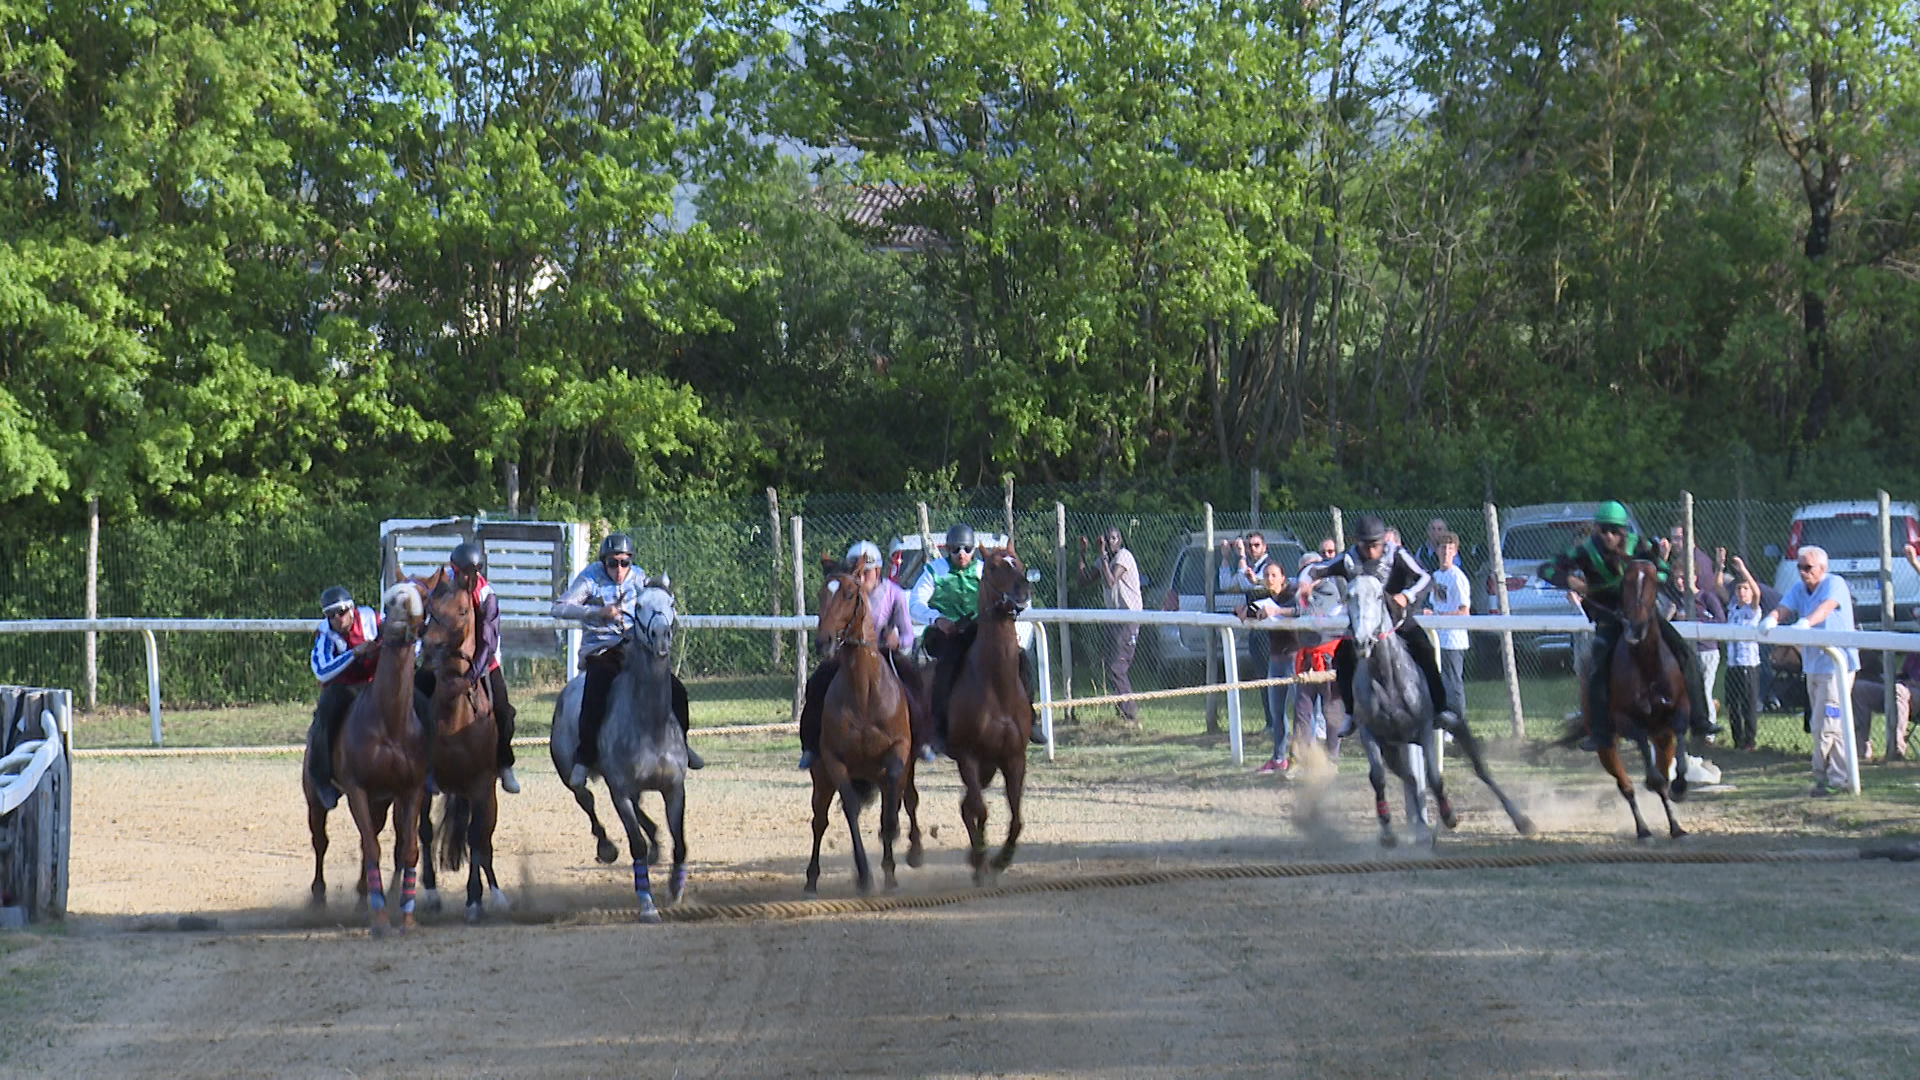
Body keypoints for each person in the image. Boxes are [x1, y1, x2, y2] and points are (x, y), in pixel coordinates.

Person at [1542, 501, 1713, 752]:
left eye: (1615, 531)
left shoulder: (1638, 545)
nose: (1609, 536)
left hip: (1644, 616)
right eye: (1604, 530)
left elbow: (1663, 573)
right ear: (1596, 530)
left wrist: (1653, 571)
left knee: (1686, 653)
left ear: (1623, 531)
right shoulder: (1584, 551)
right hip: (1609, 618)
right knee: (1597, 668)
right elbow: (1545, 569)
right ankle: (1599, 732)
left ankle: (1700, 721)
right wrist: (1571, 581)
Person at [552, 533, 703, 788]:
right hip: (601, 651)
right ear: (603, 562)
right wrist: (597, 612)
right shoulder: (590, 578)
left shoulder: (639, 578)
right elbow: (558, 608)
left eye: (624, 563)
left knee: (677, 690)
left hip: (633, 651)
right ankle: (585, 756)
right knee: (595, 691)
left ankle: (682, 747)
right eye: (613, 563)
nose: (619, 569)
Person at [1300, 514, 1452, 732]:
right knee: (1342, 657)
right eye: (1366, 545)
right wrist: (1305, 582)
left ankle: (1441, 708)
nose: (1371, 551)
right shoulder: (1349, 558)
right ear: (1357, 542)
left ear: (1383, 541)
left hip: (1398, 621)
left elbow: (1425, 578)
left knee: (1425, 650)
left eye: (1376, 545)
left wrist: (1406, 596)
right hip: (1363, 627)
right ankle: (1351, 714)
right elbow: (1314, 569)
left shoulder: (1397, 554)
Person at [797, 541, 931, 770]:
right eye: (856, 572)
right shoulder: (844, 593)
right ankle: (811, 745)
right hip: (848, 657)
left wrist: (897, 641)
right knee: (817, 684)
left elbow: (909, 635)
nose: (860, 577)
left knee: (913, 685)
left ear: (877, 571)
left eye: (865, 572)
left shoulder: (894, 594)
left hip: (885, 654)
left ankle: (920, 741)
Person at [415, 543, 519, 793]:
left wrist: (472, 677)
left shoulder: (486, 596)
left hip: (482, 661)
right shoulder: (442, 586)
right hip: (442, 658)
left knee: (504, 711)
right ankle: (418, 762)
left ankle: (504, 763)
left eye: (471, 572)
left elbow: (488, 641)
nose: (465, 577)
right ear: (454, 569)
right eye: (461, 571)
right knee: (415, 697)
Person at [1762, 545, 1857, 796]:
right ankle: (1838, 779)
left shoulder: (1835, 583)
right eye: (1800, 568)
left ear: (1822, 569)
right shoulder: (1798, 589)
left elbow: (1825, 608)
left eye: (1808, 568)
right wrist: (1772, 619)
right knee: (1825, 724)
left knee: (1827, 723)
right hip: (1813, 666)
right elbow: (1784, 607)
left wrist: (1805, 622)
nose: (1803, 573)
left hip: (1837, 666)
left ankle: (1826, 778)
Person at [305, 586, 382, 810]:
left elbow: (397, 637)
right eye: (330, 615)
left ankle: (426, 768)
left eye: (341, 612)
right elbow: (322, 670)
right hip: (343, 688)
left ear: (352, 609)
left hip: (374, 685)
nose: (337, 619)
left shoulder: (371, 618)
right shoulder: (325, 634)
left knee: (414, 701)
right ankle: (322, 779)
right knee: (325, 715)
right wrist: (354, 653)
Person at [1079, 527, 1144, 722]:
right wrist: (1082, 553)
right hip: (1113, 619)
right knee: (1111, 667)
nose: (1110, 541)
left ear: (1120, 540)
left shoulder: (1124, 556)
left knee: (1118, 667)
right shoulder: (1104, 561)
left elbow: (1110, 581)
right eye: (1107, 539)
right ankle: (1124, 712)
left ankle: (1130, 715)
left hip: (1128, 619)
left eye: (1113, 538)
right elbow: (1083, 581)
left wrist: (1102, 555)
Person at [1240, 561, 1299, 774]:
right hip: (1276, 660)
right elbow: (1254, 612)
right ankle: (1278, 758)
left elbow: (1299, 611)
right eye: (1267, 575)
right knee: (1277, 712)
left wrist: (1277, 611)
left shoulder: (1291, 595)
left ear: (1283, 577)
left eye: (1274, 575)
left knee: (1301, 711)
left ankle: (1304, 758)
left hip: (1294, 658)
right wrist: (1242, 612)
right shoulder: (1265, 599)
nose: (1270, 579)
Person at [1291, 549, 1348, 766]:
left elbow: (1308, 613)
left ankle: (1331, 760)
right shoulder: (1299, 592)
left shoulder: (1329, 590)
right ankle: (1300, 758)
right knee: (1302, 710)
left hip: (1328, 657)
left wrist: (1292, 605)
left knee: (1332, 710)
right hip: (1307, 657)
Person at [1221, 531, 1276, 732]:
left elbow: (1247, 583)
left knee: (1272, 677)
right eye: (1249, 545)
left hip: (1271, 632)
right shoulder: (1251, 567)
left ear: (1264, 546)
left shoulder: (1269, 568)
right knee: (1262, 676)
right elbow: (1226, 584)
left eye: (1256, 545)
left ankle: (1277, 722)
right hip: (1256, 630)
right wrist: (1226, 559)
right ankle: (1271, 722)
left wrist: (1242, 557)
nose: (1253, 549)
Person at [1425, 532, 1472, 722]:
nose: (1446, 552)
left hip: (1453, 639)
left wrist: (1439, 617)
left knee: (1453, 684)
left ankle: (1458, 724)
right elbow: (1433, 605)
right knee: (1438, 683)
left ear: (1455, 552)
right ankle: (1442, 721)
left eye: (1450, 548)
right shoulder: (1435, 577)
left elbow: (1464, 611)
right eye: (1443, 547)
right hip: (1436, 639)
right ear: (1436, 550)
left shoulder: (1457, 577)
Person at [1724, 556, 1767, 750]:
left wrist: (1743, 570)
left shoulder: (1752, 611)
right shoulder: (1733, 607)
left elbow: (1757, 593)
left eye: (1745, 588)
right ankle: (1737, 740)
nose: (1742, 592)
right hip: (1733, 664)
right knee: (1733, 704)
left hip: (1748, 664)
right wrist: (1719, 565)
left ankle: (1749, 741)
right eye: (1739, 588)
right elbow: (1718, 587)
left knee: (1748, 705)